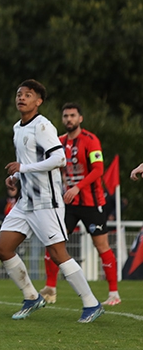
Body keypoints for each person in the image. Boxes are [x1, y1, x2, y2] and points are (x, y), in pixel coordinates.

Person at [0, 80, 104, 323]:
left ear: (38, 101)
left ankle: (91, 303)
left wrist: (23, 167)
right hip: (25, 202)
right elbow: (27, 160)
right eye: (19, 94)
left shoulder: (43, 126)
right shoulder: (17, 127)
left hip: (46, 201)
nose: (21, 98)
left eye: (28, 95)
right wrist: (15, 176)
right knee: (3, 248)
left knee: (57, 253)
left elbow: (59, 158)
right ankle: (32, 297)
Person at [39, 102, 121, 306]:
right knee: (54, 242)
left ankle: (113, 293)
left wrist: (77, 187)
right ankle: (51, 288)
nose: (69, 119)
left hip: (92, 203)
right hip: (67, 204)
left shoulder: (91, 141)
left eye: (72, 115)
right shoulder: (58, 142)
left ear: (80, 119)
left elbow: (98, 170)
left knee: (101, 245)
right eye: (65, 116)